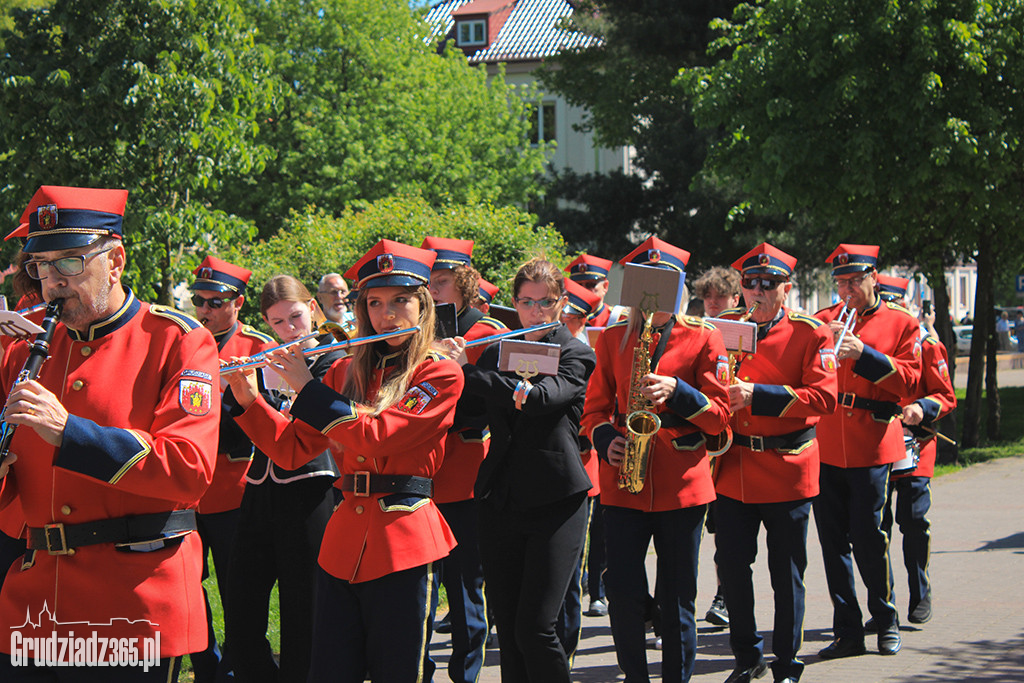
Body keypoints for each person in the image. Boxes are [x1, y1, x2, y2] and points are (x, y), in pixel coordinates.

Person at [0, 185, 220, 680]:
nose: (52, 281)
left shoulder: (176, 341)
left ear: (115, 259)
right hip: (34, 603)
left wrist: (69, 432)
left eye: (70, 263)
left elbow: (188, 471)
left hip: (132, 604)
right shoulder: (23, 349)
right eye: (41, 265)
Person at [227, 239, 461, 681]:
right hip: (342, 543)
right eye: (374, 302)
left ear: (423, 305)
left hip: (404, 540)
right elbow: (292, 449)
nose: (386, 314)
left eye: (400, 301)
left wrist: (307, 389)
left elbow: (378, 438)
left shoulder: (439, 373)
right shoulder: (343, 372)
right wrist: (248, 400)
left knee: (397, 671)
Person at [584, 236, 731, 683]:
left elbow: (721, 417)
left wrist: (679, 393)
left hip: (681, 482)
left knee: (678, 595)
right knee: (624, 591)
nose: (652, 293)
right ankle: (635, 676)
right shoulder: (611, 337)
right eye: (644, 282)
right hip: (624, 480)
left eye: (663, 282)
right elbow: (593, 409)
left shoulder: (706, 336)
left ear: (678, 286)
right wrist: (606, 437)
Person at [454, 257, 595, 682]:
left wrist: (468, 372)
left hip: (557, 500)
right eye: (527, 302)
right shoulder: (496, 351)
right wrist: (438, 369)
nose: (535, 311)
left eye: (546, 302)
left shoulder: (575, 351)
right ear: (514, 303)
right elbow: (469, 412)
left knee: (536, 628)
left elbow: (539, 398)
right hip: (502, 497)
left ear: (562, 303)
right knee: (509, 625)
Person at [714, 243, 838, 683]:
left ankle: (787, 661)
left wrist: (759, 396)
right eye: (750, 284)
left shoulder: (811, 332)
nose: (758, 292)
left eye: (769, 284)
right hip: (734, 468)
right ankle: (746, 657)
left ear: (787, 288)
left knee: (786, 574)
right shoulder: (726, 325)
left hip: (787, 466)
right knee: (731, 567)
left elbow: (824, 399)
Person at [221, 275, 345, 683]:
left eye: (295, 317)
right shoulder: (265, 357)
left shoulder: (334, 360)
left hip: (312, 488)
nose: (289, 329)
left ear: (312, 309)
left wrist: (261, 398)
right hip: (260, 487)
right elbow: (240, 426)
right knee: (240, 605)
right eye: (278, 323)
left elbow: (309, 427)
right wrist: (237, 387)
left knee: (303, 608)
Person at [813, 244, 922, 659]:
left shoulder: (901, 322)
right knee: (831, 542)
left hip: (872, 443)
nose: (847, 290)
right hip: (825, 445)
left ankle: (886, 617)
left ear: (874, 277)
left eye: (855, 281)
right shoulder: (824, 320)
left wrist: (864, 355)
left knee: (868, 538)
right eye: (840, 283)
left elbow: (910, 382)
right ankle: (847, 630)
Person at [421, 236, 506, 683]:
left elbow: (490, 404)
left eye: (442, 280)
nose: (433, 288)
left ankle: (466, 672)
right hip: (415, 471)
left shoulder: (485, 332)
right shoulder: (415, 329)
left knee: (464, 581)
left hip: (461, 472)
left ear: (465, 282)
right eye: (429, 280)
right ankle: (420, 667)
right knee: (420, 586)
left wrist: (455, 371)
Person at [190, 255, 275, 682]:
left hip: (233, 490)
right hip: (186, 492)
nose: (204, 309)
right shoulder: (184, 343)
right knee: (188, 590)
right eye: (198, 300)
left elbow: (261, 419)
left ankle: (248, 667)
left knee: (238, 594)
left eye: (214, 301)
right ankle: (209, 666)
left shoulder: (257, 348)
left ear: (237, 302)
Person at [873, 275, 956, 629]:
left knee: (914, 521)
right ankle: (883, 605)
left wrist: (922, 408)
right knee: (876, 527)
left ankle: (919, 591)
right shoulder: (869, 341)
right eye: (885, 302)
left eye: (896, 302)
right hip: (875, 444)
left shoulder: (925, 343)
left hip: (915, 445)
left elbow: (946, 395)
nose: (891, 309)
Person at [555, 278, 605, 661]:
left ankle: (566, 653)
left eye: (571, 315)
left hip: (579, 467)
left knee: (571, 573)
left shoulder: (589, 351)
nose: (564, 319)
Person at [565, 253, 624, 327]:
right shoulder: (563, 318)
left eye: (590, 285)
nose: (584, 290)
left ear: (605, 287)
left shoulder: (618, 319)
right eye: (578, 285)